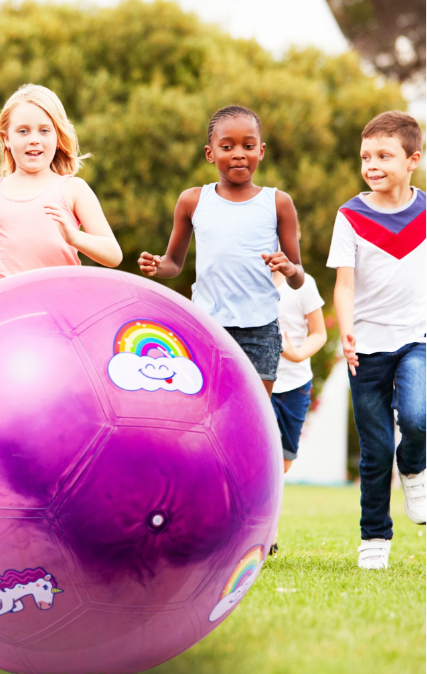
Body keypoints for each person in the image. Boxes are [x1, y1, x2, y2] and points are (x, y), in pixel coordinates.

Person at [138, 105, 305, 396]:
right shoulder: (192, 201)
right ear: (210, 153)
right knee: (209, 407)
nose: (239, 154)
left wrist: (290, 269)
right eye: (227, 147)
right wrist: (157, 265)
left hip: (260, 330)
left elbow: (298, 277)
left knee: (253, 411)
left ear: (261, 151)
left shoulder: (278, 203)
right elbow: (173, 263)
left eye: (248, 146)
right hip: (207, 326)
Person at [328, 110, 425, 571]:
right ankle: (374, 536)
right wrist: (345, 331)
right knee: (376, 448)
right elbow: (344, 285)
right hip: (364, 348)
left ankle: (415, 466)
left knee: (418, 419)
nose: (372, 164)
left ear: (412, 161)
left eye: (384, 156)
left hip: (416, 339)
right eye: (366, 156)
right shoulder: (350, 216)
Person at [0, 84, 122, 312]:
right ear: (6, 138)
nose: (34, 139)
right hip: (8, 317)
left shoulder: (74, 190)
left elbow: (113, 255)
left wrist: (75, 237)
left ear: (57, 137)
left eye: (44, 130)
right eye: (23, 131)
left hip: (63, 316)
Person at [268, 267, 327, 555]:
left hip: (295, 384)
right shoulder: (245, 279)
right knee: (261, 455)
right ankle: (268, 530)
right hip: (258, 381)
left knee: (283, 463)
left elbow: (319, 333)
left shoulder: (304, 284)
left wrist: (297, 354)